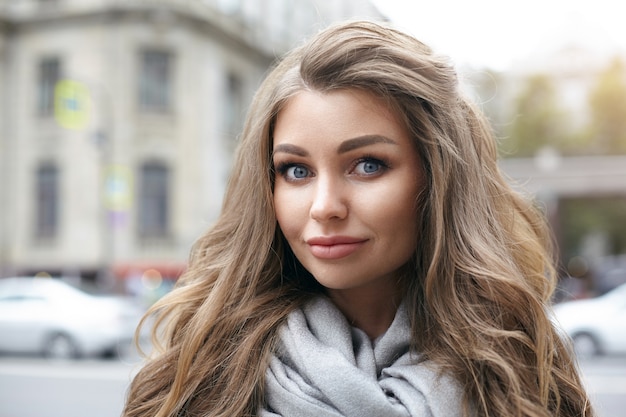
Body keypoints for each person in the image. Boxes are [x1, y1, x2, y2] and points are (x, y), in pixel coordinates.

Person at [123, 20, 594, 417]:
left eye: (368, 164)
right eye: (296, 170)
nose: (324, 205)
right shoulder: (205, 370)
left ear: (439, 179)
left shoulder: (516, 366)